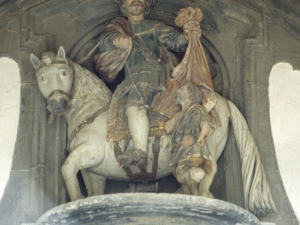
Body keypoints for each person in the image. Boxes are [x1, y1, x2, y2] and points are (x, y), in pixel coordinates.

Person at [95, 0, 201, 169]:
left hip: (151, 74)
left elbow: (175, 41)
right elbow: (102, 43)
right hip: (131, 78)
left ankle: (140, 152)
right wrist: (116, 39)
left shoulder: (153, 26)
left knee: (134, 105)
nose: (136, 1)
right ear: (123, 4)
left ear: (146, 4)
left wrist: (188, 34)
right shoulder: (117, 28)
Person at [165, 82, 215, 194]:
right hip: (180, 151)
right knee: (180, 175)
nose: (177, 91)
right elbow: (167, 128)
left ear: (190, 94)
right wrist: (174, 120)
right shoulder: (180, 114)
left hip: (192, 149)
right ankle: (188, 194)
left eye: (181, 89)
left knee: (183, 172)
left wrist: (201, 136)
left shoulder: (196, 109)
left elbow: (205, 124)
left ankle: (194, 189)